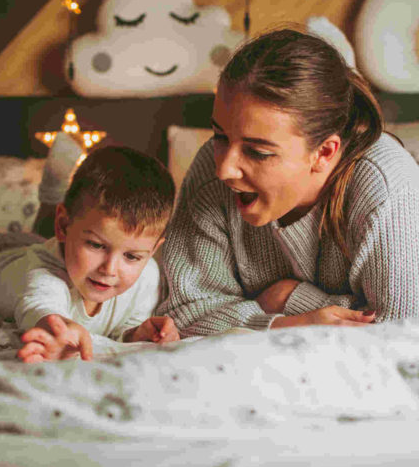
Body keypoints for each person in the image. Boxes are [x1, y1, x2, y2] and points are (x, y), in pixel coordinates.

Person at [155, 28, 419, 337]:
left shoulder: (387, 185)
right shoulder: (209, 172)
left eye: (258, 152)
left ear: (324, 152)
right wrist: (288, 318)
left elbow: (403, 339)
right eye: (220, 136)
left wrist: (288, 298)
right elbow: (182, 315)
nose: (224, 169)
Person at [0, 145, 179, 362]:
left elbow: (125, 327)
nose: (110, 269)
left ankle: (52, 196)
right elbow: (40, 305)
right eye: (96, 245)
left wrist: (137, 333)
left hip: (45, 245)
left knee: (48, 239)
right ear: (62, 226)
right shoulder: (41, 275)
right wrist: (60, 333)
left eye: (132, 257)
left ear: (152, 251)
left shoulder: (147, 275)